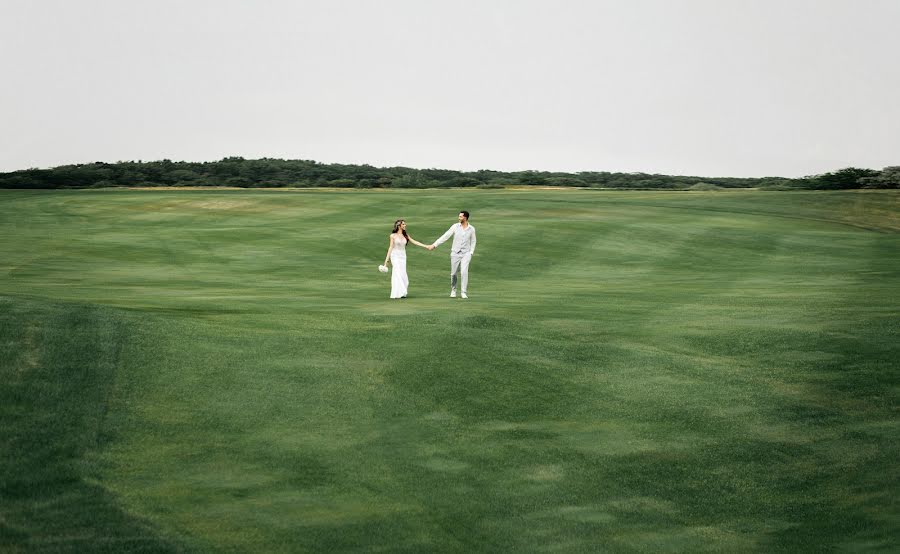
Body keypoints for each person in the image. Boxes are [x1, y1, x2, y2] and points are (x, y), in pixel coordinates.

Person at [429, 210, 477, 299]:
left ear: (465, 218)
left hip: (466, 253)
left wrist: (471, 252)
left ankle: (463, 292)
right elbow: (445, 236)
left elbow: (473, 241)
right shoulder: (455, 226)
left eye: (460, 217)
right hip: (455, 253)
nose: (459, 218)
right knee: (453, 273)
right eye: (459, 216)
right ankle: (453, 290)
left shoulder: (471, 229)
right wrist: (435, 245)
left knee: (464, 272)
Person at [383, 219, 429, 299]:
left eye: (405, 224)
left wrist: (426, 246)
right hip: (395, 255)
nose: (405, 225)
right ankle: (398, 293)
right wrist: (386, 260)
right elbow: (390, 247)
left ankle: (402, 292)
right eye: (403, 224)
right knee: (397, 272)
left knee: (402, 272)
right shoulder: (392, 236)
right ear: (399, 226)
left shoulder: (405, 235)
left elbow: (414, 242)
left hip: (403, 256)